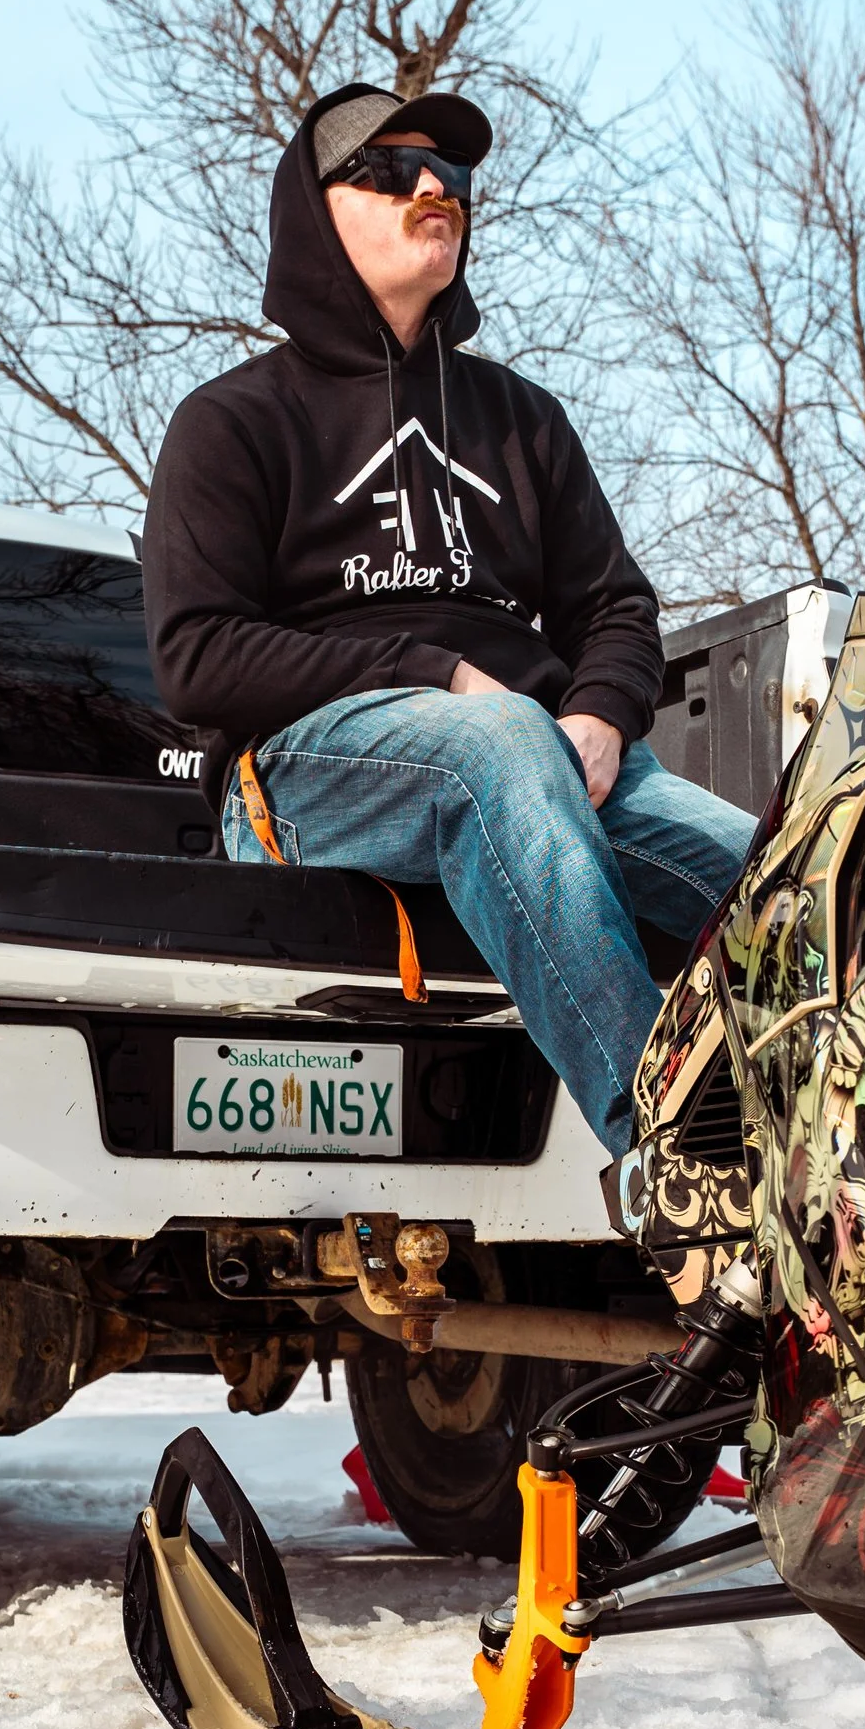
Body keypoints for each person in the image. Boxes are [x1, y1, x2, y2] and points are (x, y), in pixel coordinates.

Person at [140, 80, 757, 1154]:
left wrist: (604, 714)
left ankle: (858, 1174)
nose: (434, 187)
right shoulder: (233, 419)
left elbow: (613, 603)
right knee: (499, 734)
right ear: (313, 214)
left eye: (454, 174)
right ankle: (678, 1155)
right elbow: (196, 657)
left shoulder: (518, 416)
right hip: (304, 773)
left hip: (548, 759)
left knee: (791, 878)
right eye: (388, 169)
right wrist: (438, 673)